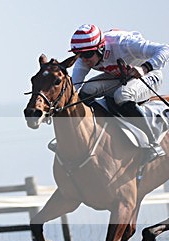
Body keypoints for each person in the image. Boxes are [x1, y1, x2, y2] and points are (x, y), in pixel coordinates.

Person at [70, 24, 169, 163]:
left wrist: (145, 68)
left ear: (101, 47)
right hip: (120, 78)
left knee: (122, 95)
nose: (84, 60)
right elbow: (74, 87)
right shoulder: (84, 60)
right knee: (87, 90)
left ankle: (152, 144)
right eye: (79, 55)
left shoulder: (124, 43)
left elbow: (165, 49)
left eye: (87, 54)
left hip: (149, 75)